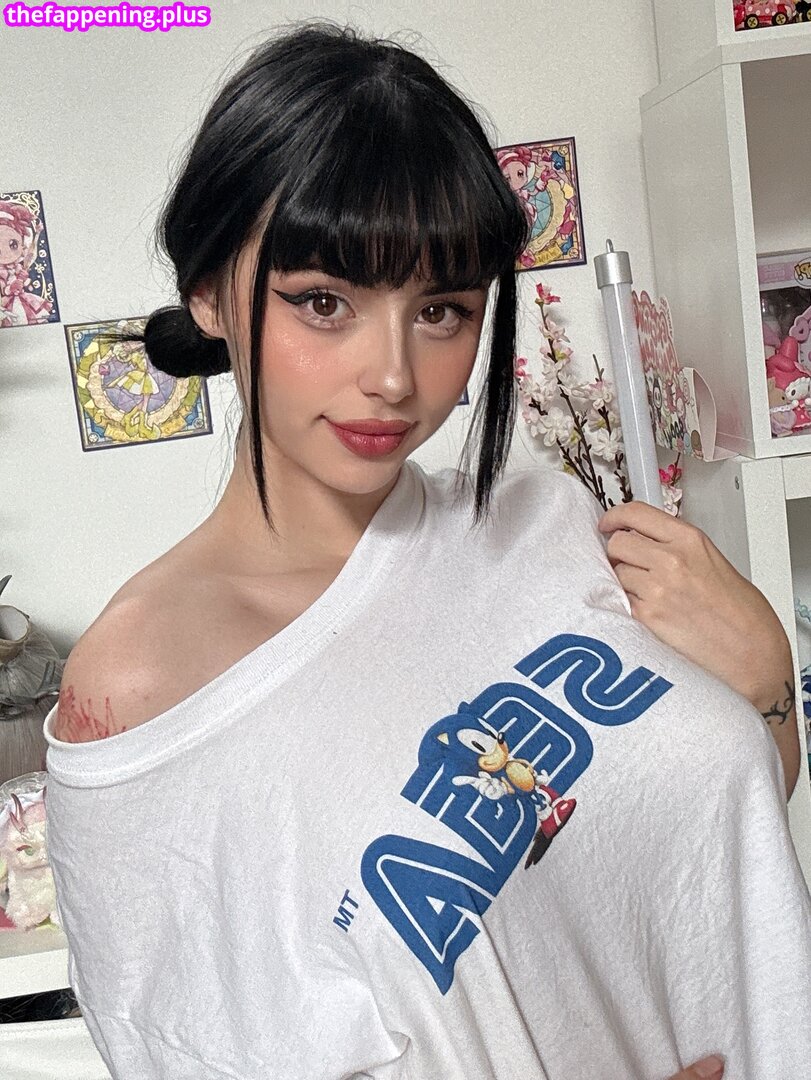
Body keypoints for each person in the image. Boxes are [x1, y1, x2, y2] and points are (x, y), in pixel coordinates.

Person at [42, 20, 811, 1080]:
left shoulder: (546, 526)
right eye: (324, 303)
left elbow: (699, 853)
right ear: (211, 293)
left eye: (441, 310)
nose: (394, 376)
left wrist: (765, 689)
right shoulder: (140, 687)